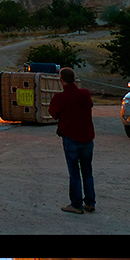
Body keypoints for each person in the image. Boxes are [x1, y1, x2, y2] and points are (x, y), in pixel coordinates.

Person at [48, 67, 96, 214]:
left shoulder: (59, 98)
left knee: (74, 172)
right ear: (74, 78)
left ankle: (76, 204)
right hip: (87, 138)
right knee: (87, 172)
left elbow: (54, 114)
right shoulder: (85, 94)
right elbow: (89, 105)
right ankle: (90, 202)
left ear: (61, 80)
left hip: (71, 138)